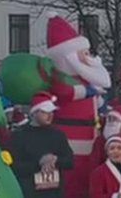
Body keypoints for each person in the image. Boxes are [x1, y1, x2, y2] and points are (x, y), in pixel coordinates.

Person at [42, 13, 113, 197]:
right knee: (70, 178)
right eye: (84, 53)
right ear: (69, 56)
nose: (89, 57)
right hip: (70, 137)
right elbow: (67, 92)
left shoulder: (86, 77)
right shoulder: (60, 78)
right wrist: (89, 91)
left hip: (89, 136)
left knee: (86, 177)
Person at [9, 92, 75, 198]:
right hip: (30, 192)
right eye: (45, 112)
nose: (50, 115)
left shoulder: (58, 135)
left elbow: (70, 161)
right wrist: (39, 164)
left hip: (54, 193)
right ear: (34, 113)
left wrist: (55, 159)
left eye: (51, 112)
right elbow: (14, 167)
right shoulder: (20, 136)